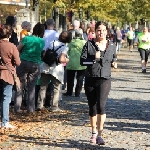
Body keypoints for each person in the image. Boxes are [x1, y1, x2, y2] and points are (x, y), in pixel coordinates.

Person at [80, 21, 117, 145]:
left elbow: (113, 57)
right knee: (92, 107)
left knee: (101, 106)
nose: (101, 32)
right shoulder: (89, 44)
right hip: (91, 78)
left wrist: (114, 63)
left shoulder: (111, 45)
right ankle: (94, 132)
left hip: (105, 79)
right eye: (99, 30)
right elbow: (82, 62)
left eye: (103, 30)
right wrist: (93, 59)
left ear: (107, 32)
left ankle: (100, 134)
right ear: (95, 31)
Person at [37, 31, 72, 112]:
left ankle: (40, 105)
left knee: (43, 87)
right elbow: (61, 59)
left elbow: (44, 53)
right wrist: (67, 60)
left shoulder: (52, 42)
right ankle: (54, 106)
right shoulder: (64, 47)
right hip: (56, 69)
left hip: (46, 67)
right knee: (56, 88)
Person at [14, 22, 45, 113]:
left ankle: (17, 108)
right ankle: (31, 109)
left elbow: (17, 49)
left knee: (20, 86)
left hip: (23, 62)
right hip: (35, 64)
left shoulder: (26, 38)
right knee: (32, 87)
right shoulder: (42, 41)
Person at [0, 25, 21, 129]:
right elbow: (18, 62)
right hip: (7, 74)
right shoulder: (11, 46)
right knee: (6, 98)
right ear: (9, 34)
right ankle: (4, 122)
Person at [63, 28, 86, 97]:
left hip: (71, 63)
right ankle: (77, 93)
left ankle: (69, 92)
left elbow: (67, 52)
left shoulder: (70, 42)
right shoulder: (84, 42)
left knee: (70, 78)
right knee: (80, 79)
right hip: (81, 63)